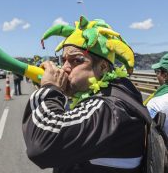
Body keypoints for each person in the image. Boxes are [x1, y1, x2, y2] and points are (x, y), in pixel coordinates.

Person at [22, 16, 147, 173]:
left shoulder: (110, 109)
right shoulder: (115, 94)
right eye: (63, 60)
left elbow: (42, 144)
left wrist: (49, 89)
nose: (65, 68)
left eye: (76, 61)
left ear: (103, 67)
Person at [145, 53, 168, 134]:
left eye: (157, 72)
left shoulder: (156, 103)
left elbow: (147, 130)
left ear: (165, 76)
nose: (156, 75)